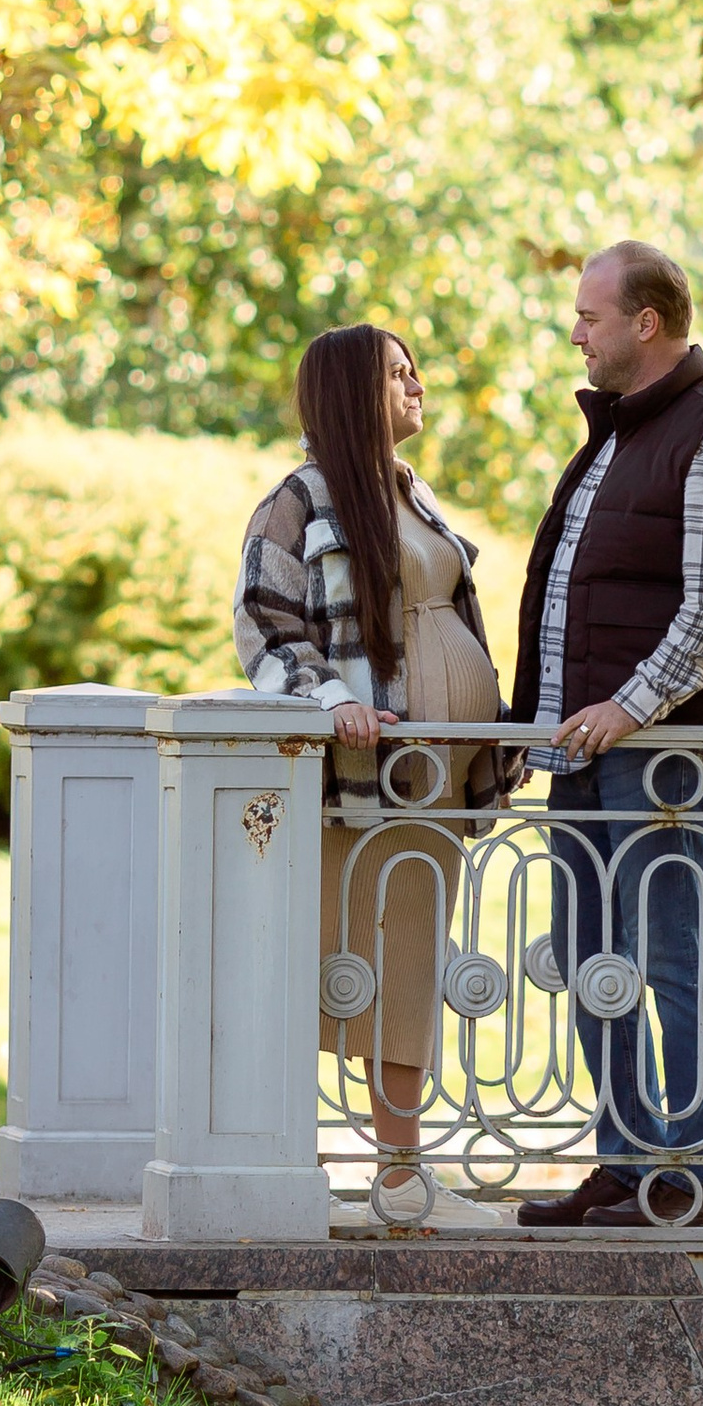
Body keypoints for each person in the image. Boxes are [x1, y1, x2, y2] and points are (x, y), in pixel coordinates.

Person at [511, 241, 703, 1229]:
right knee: (591, 955)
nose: (574, 331)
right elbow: (573, 605)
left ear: (645, 323)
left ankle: (691, 1175)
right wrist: (529, 730)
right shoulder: (620, 437)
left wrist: (626, 710)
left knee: (670, 962)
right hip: (589, 753)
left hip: (663, 756)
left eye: (589, 316)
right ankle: (628, 1162)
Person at [233, 325, 508, 1234]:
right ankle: (288, 1162)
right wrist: (330, 701)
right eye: (397, 373)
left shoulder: (408, 493)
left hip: (436, 777)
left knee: (413, 959)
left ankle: (400, 1173)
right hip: (362, 779)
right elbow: (264, 627)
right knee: (331, 953)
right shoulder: (299, 500)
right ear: (355, 394)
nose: (417, 383)